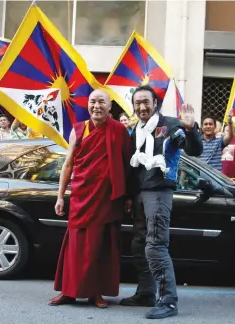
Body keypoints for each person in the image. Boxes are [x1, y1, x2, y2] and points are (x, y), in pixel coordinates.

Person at [48, 89, 132, 308]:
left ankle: (96, 293)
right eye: (93, 102)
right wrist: (60, 196)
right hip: (81, 197)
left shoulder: (119, 131)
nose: (97, 106)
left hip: (106, 199)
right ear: (88, 105)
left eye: (101, 102)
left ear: (110, 106)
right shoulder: (79, 130)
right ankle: (69, 291)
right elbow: (68, 164)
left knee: (99, 248)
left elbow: (126, 165)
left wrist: (128, 196)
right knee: (75, 247)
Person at [126, 85, 202, 319]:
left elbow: (194, 150)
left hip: (159, 192)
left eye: (146, 102)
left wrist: (190, 130)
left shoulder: (170, 125)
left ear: (155, 103)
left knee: (155, 246)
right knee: (139, 245)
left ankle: (168, 301)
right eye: (137, 103)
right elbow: (132, 168)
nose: (142, 107)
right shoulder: (136, 131)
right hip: (140, 193)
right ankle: (147, 292)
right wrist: (129, 196)